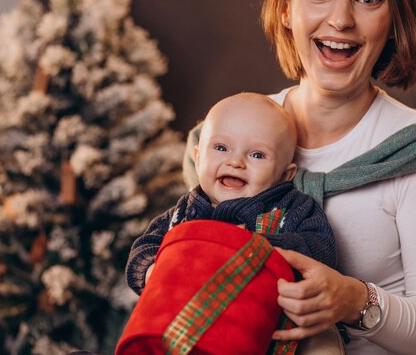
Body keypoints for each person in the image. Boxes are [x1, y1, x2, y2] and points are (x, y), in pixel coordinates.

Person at [244, 0, 416, 355]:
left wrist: (354, 301)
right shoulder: (232, 132)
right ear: (285, 9)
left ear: (394, 21)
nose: (341, 19)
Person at [127, 92, 338, 295]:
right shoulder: (182, 212)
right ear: (198, 159)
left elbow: (321, 251)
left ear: (285, 174)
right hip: (184, 320)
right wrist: (151, 271)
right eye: (221, 148)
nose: (235, 162)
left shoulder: (291, 209)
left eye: (257, 154)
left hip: (258, 320)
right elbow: (144, 248)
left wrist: (259, 247)